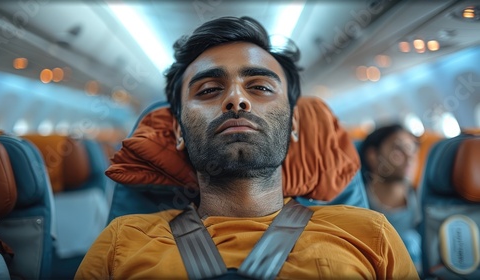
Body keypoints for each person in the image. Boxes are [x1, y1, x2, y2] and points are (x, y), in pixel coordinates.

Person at [75, 16, 419, 279]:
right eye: (209, 90)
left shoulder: (372, 235)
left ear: (294, 125)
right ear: (178, 131)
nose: (236, 99)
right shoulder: (120, 242)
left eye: (260, 87)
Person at [360, 124, 422, 274]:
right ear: (373, 156)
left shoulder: (426, 204)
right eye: (398, 149)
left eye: (412, 148)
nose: (409, 156)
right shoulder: (356, 206)